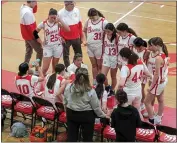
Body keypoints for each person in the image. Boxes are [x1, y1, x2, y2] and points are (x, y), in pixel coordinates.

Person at [63, 68, 108, 142]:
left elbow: (65, 102)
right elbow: (96, 108)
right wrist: (103, 115)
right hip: (86, 116)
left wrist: (67, 111)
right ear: (87, 77)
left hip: (71, 113)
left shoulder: (69, 87)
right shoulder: (90, 91)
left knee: (71, 138)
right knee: (87, 139)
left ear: (76, 76)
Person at [118, 48, 152, 120]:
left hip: (128, 93)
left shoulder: (125, 68)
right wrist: (142, 76)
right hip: (138, 92)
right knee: (137, 111)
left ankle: (127, 128)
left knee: (126, 112)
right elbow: (149, 74)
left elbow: (121, 84)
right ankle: (141, 126)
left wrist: (118, 90)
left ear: (124, 57)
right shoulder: (141, 63)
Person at [34, 8, 70, 76]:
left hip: (57, 46)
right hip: (48, 47)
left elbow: (68, 30)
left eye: (54, 17)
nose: (53, 19)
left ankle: (53, 82)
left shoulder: (57, 23)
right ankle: (40, 81)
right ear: (48, 16)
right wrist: (41, 42)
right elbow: (34, 33)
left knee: (55, 67)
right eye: (51, 17)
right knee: (45, 68)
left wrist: (60, 20)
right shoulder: (43, 23)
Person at [144, 37, 169, 124]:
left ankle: (152, 121)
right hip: (162, 81)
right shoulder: (164, 55)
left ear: (157, 46)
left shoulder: (158, 58)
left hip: (157, 82)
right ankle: (158, 118)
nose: (149, 47)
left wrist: (151, 86)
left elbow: (157, 74)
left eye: (151, 45)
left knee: (146, 101)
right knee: (161, 99)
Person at [83, 8, 108, 85]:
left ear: (96, 14)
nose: (91, 19)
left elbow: (108, 34)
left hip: (99, 47)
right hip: (90, 47)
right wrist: (84, 40)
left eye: (92, 17)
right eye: (90, 17)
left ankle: (100, 82)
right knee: (93, 65)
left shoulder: (104, 22)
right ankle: (94, 82)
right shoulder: (88, 21)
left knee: (100, 66)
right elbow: (84, 30)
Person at [58, 1, 84, 68]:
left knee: (79, 54)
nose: (73, 5)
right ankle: (68, 69)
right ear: (66, 4)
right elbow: (59, 27)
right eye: (72, 4)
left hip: (76, 37)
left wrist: (81, 36)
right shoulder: (60, 13)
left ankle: (77, 67)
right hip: (65, 39)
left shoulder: (77, 10)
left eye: (73, 3)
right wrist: (61, 37)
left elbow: (79, 24)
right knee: (66, 55)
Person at [20, 0, 43, 74]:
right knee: (40, 51)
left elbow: (35, 10)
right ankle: (37, 69)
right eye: (35, 2)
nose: (36, 3)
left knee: (29, 51)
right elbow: (31, 29)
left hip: (26, 34)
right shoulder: (28, 13)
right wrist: (37, 38)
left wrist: (34, 3)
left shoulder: (24, 7)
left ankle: (25, 67)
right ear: (31, 2)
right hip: (30, 36)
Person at [133, 37, 150, 114]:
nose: (134, 47)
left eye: (135, 46)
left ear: (140, 46)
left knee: (141, 89)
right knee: (138, 88)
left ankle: (142, 103)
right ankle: (138, 102)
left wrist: (145, 74)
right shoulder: (135, 50)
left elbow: (147, 64)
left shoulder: (147, 52)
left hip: (143, 73)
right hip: (136, 71)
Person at [101, 23, 119, 94]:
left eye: (108, 31)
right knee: (103, 75)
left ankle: (112, 90)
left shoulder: (117, 37)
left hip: (114, 57)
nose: (107, 32)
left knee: (113, 76)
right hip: (106, 56)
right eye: (106, 31)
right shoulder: (104, 35)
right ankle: (107, 86)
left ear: (113, 30)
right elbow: (103, 45)